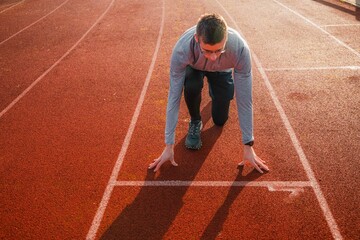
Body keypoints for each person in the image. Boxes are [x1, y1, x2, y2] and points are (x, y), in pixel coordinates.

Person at [148, 13, 269, 173]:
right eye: (207, 50)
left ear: (226, 39)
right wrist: (169, 145)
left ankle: (216, 90)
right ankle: (196, 120)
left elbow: (245, 99)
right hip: (195, 67)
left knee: (220, 120)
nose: (212, 57)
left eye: (219, 50)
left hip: (222, 70)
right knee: (191, 86)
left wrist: (248, 145)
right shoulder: (182, 50)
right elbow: (174, 97)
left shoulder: (239, 49)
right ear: (197, 39)